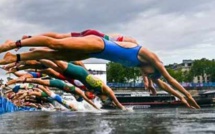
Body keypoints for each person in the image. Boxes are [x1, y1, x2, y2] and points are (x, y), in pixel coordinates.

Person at [0, 29, 200, 109]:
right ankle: (15, 44)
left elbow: (168, 87)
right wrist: (188, 95)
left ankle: (17, 57)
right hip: (99, 44)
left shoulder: (145, 68)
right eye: (150, 76)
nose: (149, 78)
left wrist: (182, 100)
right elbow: (172, 81)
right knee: (57, 45)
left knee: (54, 55)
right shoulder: (150, 57)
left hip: (94, 52)